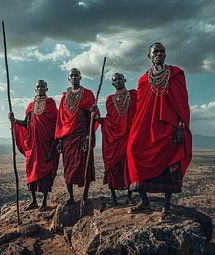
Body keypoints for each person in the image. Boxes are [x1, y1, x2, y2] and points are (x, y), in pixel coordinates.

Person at [127, 42, 192, 222]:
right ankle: (144, 201)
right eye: (156, 51)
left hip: (169, 127)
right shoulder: (142, 80)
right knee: (133, 151)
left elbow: (182, 103)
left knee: (170, 162)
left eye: (162, 51)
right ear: (149, 55)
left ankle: (167, 206)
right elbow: (141, 108)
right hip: (147, 127)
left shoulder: (176, 74)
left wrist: (181, 126)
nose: (159, 54)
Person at [9, 80, 59, 212]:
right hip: (32, 145)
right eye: (38, 86)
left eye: (43, 86)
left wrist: (53, 147)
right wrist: (14, 121)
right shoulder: (31, 105)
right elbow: (26, 123)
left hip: (46, 145)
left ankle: (44, 202)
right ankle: (33, 201)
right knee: (31, 171)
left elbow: (56, 124)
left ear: (46, 88)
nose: (40, 88)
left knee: (45, 172)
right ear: (35, 89)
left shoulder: (51, 104)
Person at [55, 68, 98, 206]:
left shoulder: (88, 94)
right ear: (69, 79)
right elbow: (61, 120)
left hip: (83, 135)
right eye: (71, 75)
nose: (74, 77)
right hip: (68, 137)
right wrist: (60, 140)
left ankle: (85, 196)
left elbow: (92, 117)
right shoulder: (64, 97)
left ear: (80, 77)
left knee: (85, 165)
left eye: (76, 75)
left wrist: (88, 137)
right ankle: (71, 197)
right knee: (68, 168)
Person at [96, 73, 137, 205]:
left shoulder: (134, 95)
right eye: (115, 80)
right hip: (113, 138)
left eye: (120, 78)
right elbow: (110, 119)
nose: (118, 81)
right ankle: (113, 196)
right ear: (112, 83)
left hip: (129, 136)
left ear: (125, 80)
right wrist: (97, 118)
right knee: (112, 166)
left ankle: (129, 196)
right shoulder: (109, 99)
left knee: (129, 165)